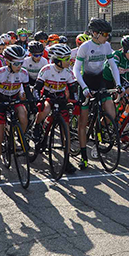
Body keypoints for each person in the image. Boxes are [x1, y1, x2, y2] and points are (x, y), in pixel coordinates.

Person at [73, 18, 121, 169]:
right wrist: (84, 87)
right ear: (95, 33)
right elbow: (76, 70)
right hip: (85, 81)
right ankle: (83, 156)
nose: (108, 36)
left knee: (111, 113)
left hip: (100, 80)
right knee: (83, 122)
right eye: (105, 33)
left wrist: (118, 84)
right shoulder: (85, 47)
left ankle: (98, 129)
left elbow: (113, 66)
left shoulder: (106, 45)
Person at [32, 44, 79, 173]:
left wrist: (76, 101)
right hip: (48, 96)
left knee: (66, 133)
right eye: (66, 59)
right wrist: (37, 99)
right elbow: (37, 88)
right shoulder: (46, 69)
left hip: (61, 98)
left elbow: (73, 89)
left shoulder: (68, 71)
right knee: (46, 109)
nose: (69, 61)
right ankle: (37, 126)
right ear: (58, 60)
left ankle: (67, 160)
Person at [0, 45, 34, 182]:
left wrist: (32, 105)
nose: (19, 66)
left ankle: (20, 136)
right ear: (7, 62)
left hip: (14, 98)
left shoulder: (24, 73)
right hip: (1, 100)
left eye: (22, 62)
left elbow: (27, 93)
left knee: (23, 115)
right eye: (16, 63)